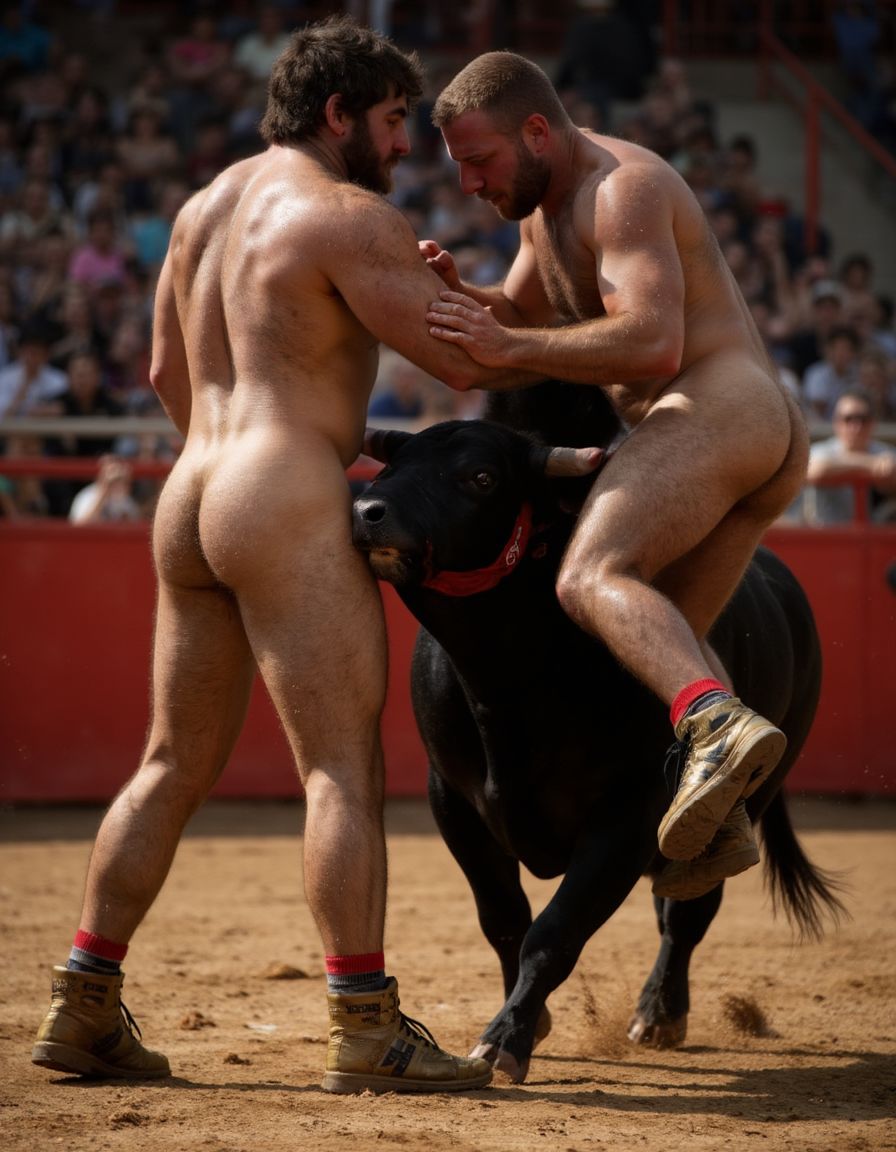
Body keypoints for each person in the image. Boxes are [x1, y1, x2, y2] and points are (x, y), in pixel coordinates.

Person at [33, 16, 594, 1096]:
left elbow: (161, 370)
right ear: (337, 113)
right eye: (390, 122)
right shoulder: (346, 214)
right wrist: (567, 314)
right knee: (339, 765)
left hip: (189, 489)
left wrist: (239, 441)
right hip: (281, 490)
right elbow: (464, 362)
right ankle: (363, 1024)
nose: (399, 148)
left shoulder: (197, 212)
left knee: (167, 764)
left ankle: (83, 1003)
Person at [422, 51, 811, 899]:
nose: (469, 183)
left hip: (718, 409)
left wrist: (512, 348)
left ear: (536, 131)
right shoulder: (544, 205)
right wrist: (461, 295)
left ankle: (719, 730)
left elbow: (652, 340)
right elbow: (524, 318)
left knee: (591, 577)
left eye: (479, 161)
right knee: (662, 634)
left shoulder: (619, 188)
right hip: (738, 430)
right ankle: (725, 811)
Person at [802, 389, 896, 524]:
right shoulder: (821, 451)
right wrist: (871, 465)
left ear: (872, 422)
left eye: (862, 419)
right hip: (825, 539)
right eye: (848, 419)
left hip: (872, 540)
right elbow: (816, 471)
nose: (856, 426)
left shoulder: (885, 452)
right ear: (836, 422)